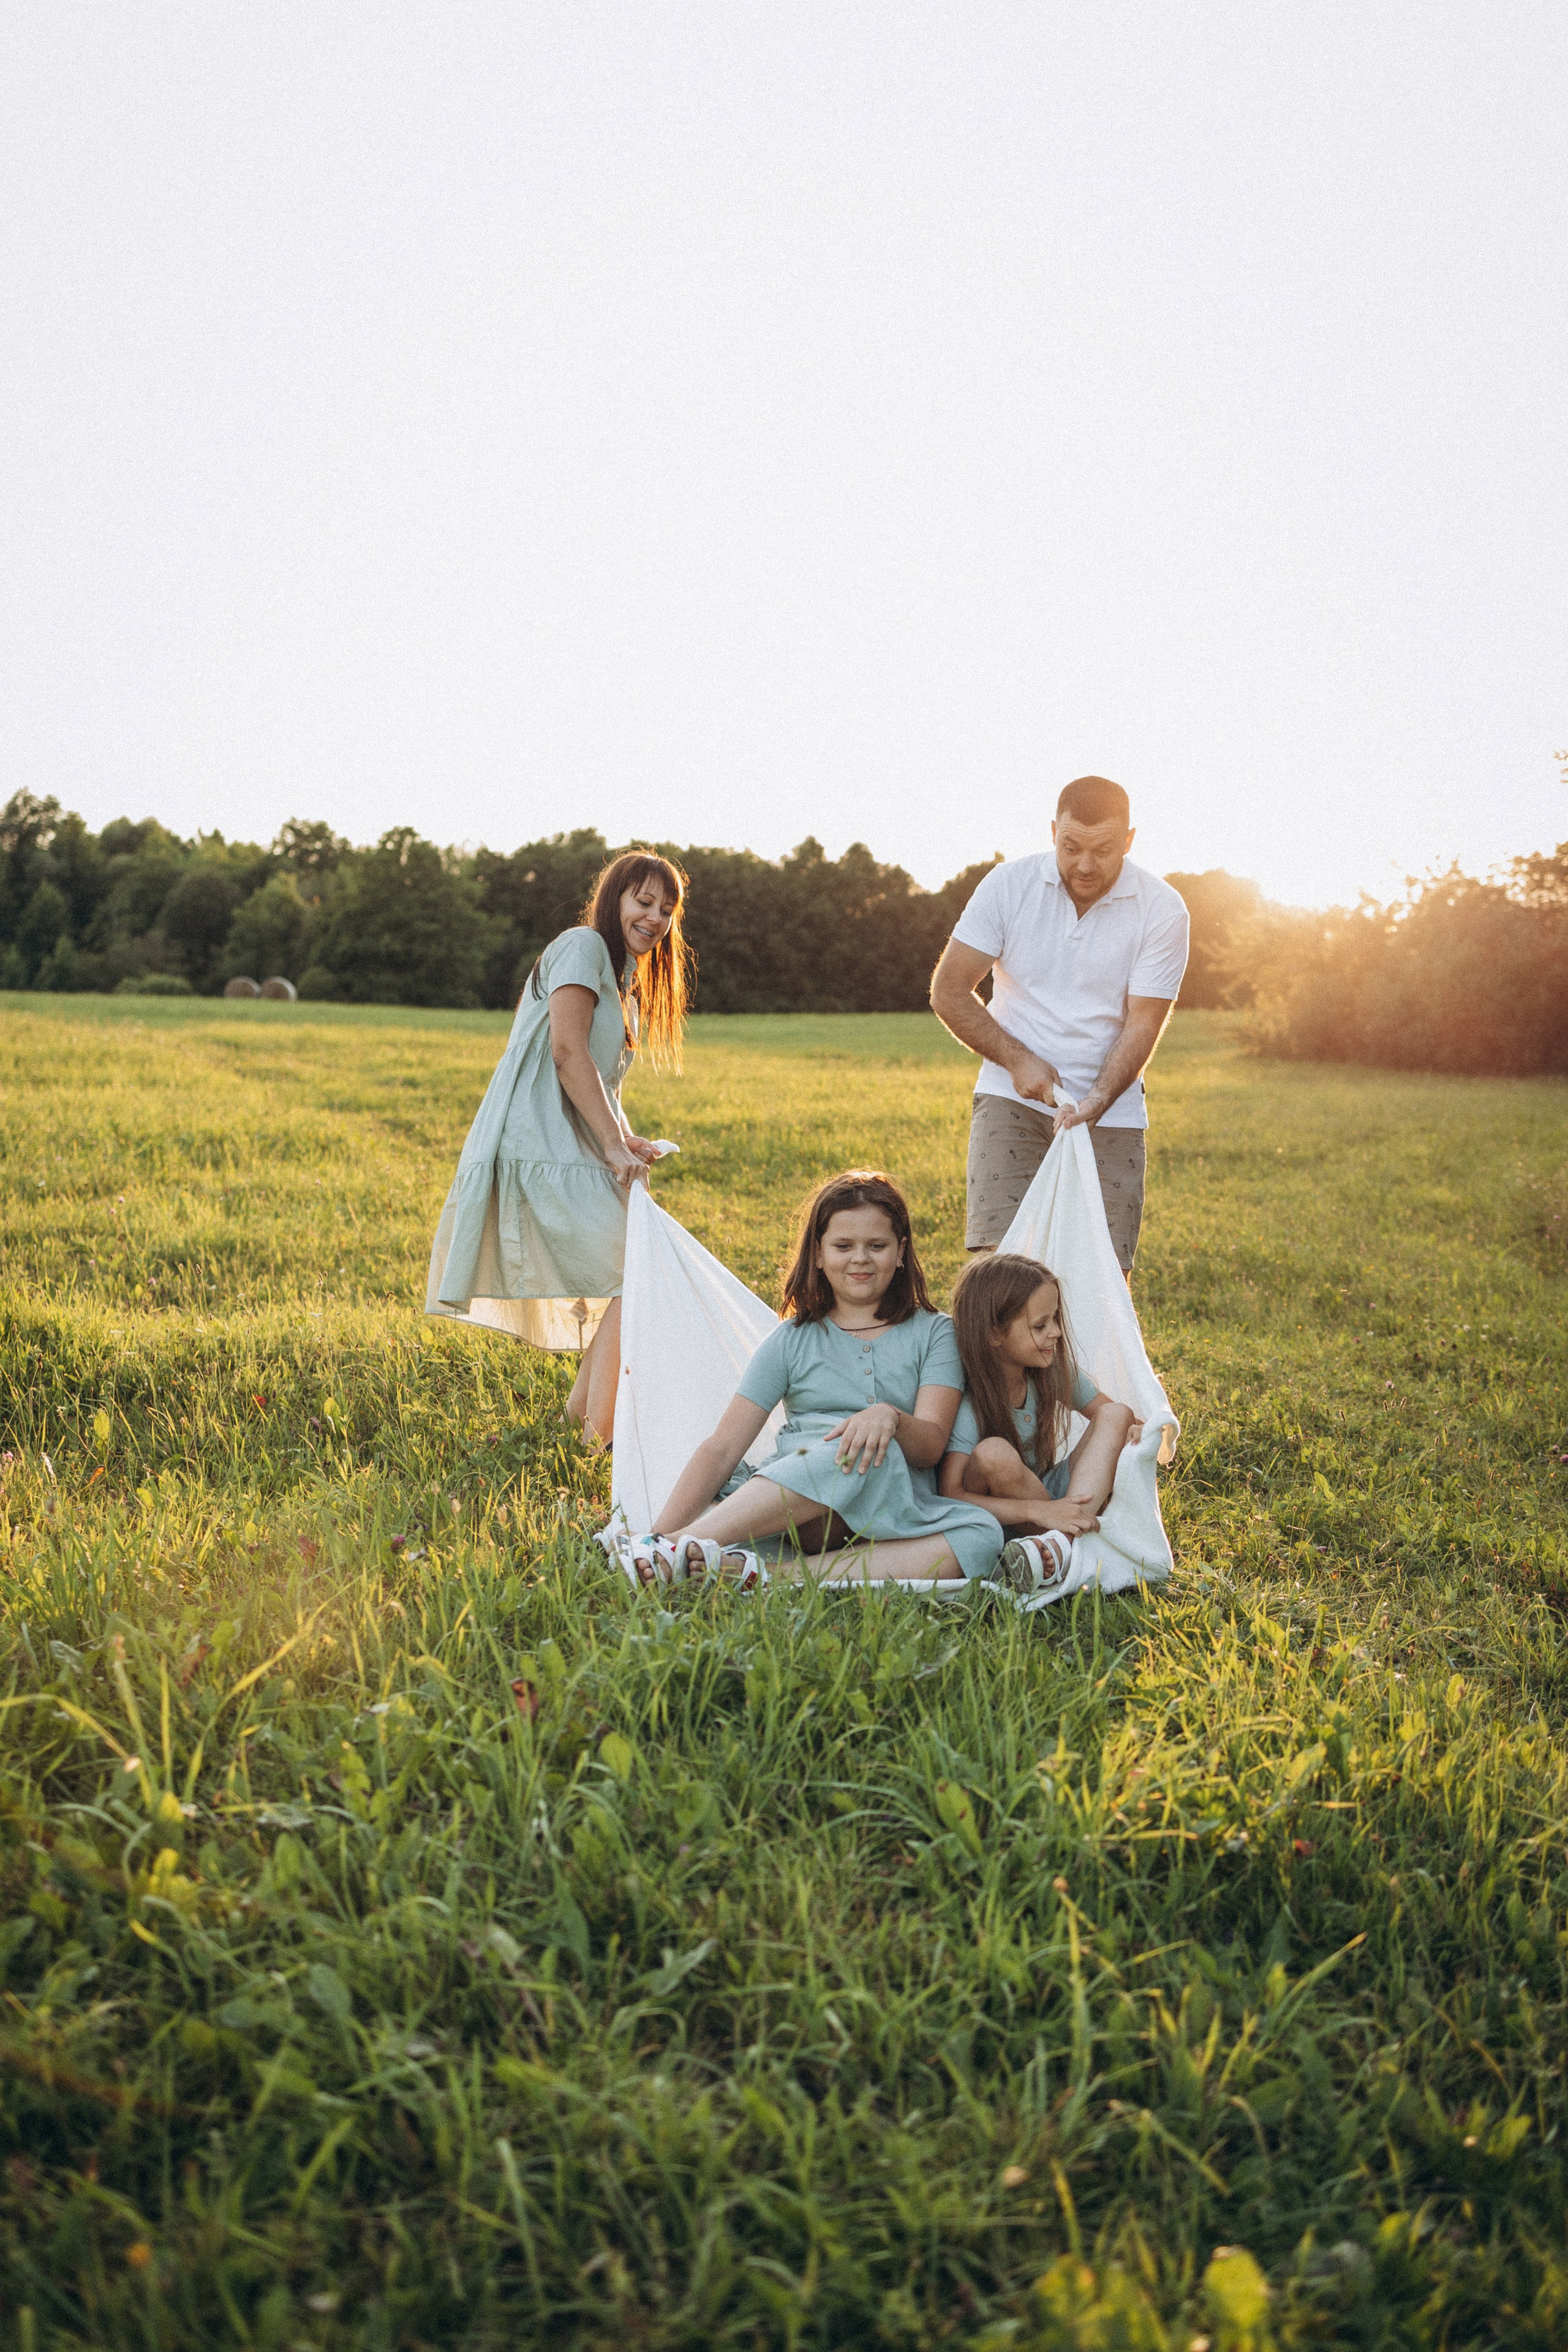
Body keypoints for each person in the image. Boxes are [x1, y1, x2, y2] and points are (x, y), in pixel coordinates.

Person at [625, 1170, 1005, 1588]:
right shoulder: (791, 1340)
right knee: (851, 1453)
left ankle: (768, 1576)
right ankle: (673, 1546)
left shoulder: (935, 1333)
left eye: (876, 1246)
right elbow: (723, 1448)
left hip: (894, 1516)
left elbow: (932, 1446)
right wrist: (659, 1535)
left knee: (982, 1536)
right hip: (799, 1516)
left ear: (900, 1253)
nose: (860, 1258)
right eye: (843, 1246)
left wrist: (889, 1417)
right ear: (819, 1255)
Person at [424, 851, 689, 1444]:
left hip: (570, 1147)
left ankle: (580, 1424)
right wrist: (612, 1149)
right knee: (634, 1271)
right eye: (643, 901)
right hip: (538, 1144)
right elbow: (567, 1054)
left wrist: (626, 1140)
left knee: (635, 1270)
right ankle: (600, 1439)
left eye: (666, 910)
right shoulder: (582, 947)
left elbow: (600, 1079)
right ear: (615, 897)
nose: (655, 918)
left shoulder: (625, 982)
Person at [929, 775, 1189, 1275]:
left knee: (1102, 1285)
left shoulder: (1163, 909)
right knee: (1000, 1279)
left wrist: (1096, 1101)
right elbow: (949, 990)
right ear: (1052, 832)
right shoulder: (1009, 885)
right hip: (1013, 1103)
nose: (1085, 865)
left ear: (1130, 841)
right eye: (1071, 847)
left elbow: (1143, 1025)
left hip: (1111, 1114)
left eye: (1104, 850)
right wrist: (1017, 1060)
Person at [939, 1252, 1136, 1593]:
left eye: (1055, 1320)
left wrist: (1140, 1433)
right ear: (994, 1333)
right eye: (1040, 1326)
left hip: (1060, 1498)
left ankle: (1060, 1545)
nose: (1057, 1332)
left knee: (1118, 1414)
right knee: (994, 1453)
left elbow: (1113, 1419)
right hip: (1009, 1519)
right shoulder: (968, 1403)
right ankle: (1063, 1544)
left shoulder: (1053, 1373)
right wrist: (1040, 1512)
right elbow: (950, 1495)